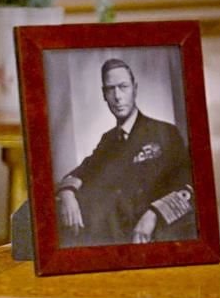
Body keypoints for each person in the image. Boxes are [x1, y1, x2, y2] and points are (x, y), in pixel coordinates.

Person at [56, 58, 197, 247]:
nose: (118, 96)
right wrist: (67, 193)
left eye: (123, 87)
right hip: (113, 239)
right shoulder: (108, 140)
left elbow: (188, 185)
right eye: (110, 89)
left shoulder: (165, 132)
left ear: (135, 89)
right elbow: (83, 171)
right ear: (104, 94)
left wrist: (153, 214)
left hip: (156, 237)